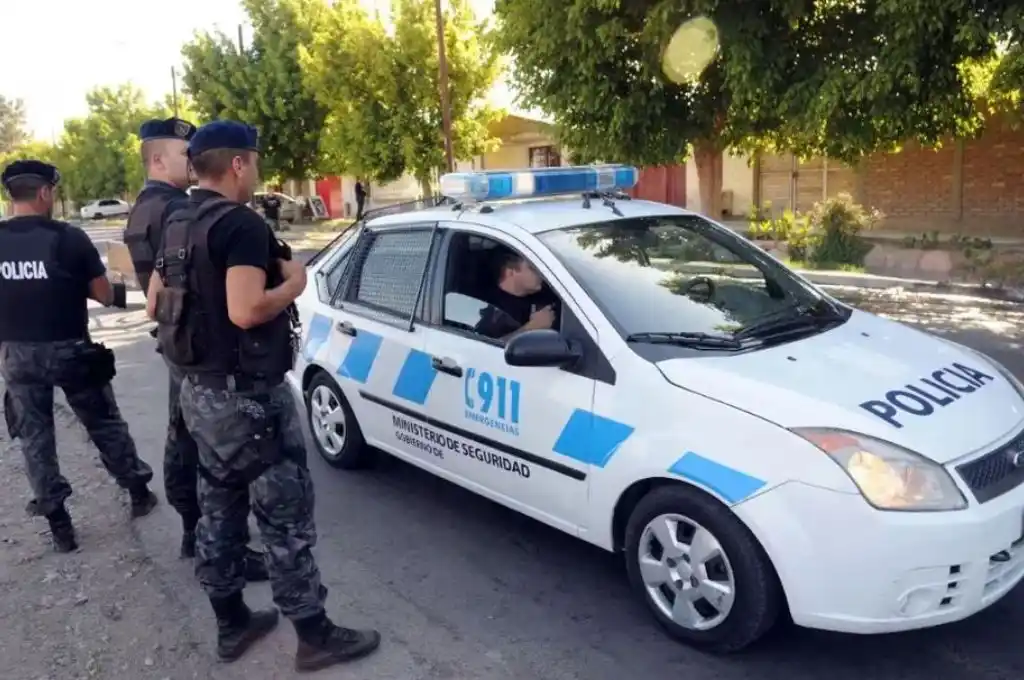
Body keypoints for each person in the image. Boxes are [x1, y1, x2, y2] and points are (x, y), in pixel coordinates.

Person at [146, 121, 381, 669]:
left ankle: (232, 624)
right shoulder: (240, 225)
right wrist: (293, 286)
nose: (256, 172)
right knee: (285, 515)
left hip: (199, 396)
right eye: (254, 161)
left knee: (220, 508)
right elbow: (246, 309)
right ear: (237, 165)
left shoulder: (178, 220)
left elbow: (157, 302)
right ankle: (314, 634)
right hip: (248, 399)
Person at [124, 117, 269, 581]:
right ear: (158, 158)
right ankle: (217, 545)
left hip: (176, 339)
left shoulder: (142, 209)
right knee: (215, 458)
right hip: (204, 346)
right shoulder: (179, 212)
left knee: (185, 437)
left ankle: (197, 532)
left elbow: (154, 296)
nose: (191, 166)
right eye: (182, 155)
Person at [0, 159, 159, 553]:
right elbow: (104, 293)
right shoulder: (68, 238)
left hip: (17, 354)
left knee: (35, 440)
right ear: (44, 193)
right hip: (70, 348)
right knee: (103, 423)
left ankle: (60, 527)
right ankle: (138, 491)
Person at [474, 251, 557, 340]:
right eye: (533, 268)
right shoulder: (492, 310)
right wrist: (532, 327)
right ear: (511, 272)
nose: (540, 273)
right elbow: (486, 348)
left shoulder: (546, 292)